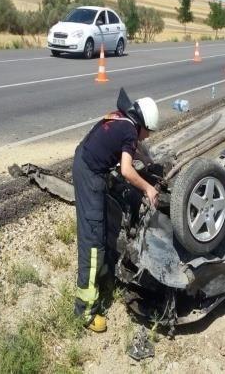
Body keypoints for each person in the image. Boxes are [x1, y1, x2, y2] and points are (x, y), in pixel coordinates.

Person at [72, 89, 159, 332]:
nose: (145, 138)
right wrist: (148, 189)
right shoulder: (130, 131)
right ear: (142, 125)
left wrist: (150, 164)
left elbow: (128, 149)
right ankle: (85, 311)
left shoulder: (122, 117)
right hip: (89, 173)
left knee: (99, 232)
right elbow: (127, 171)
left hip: (86, 161)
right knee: (92, 244)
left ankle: (102, 282)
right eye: (147, 133)